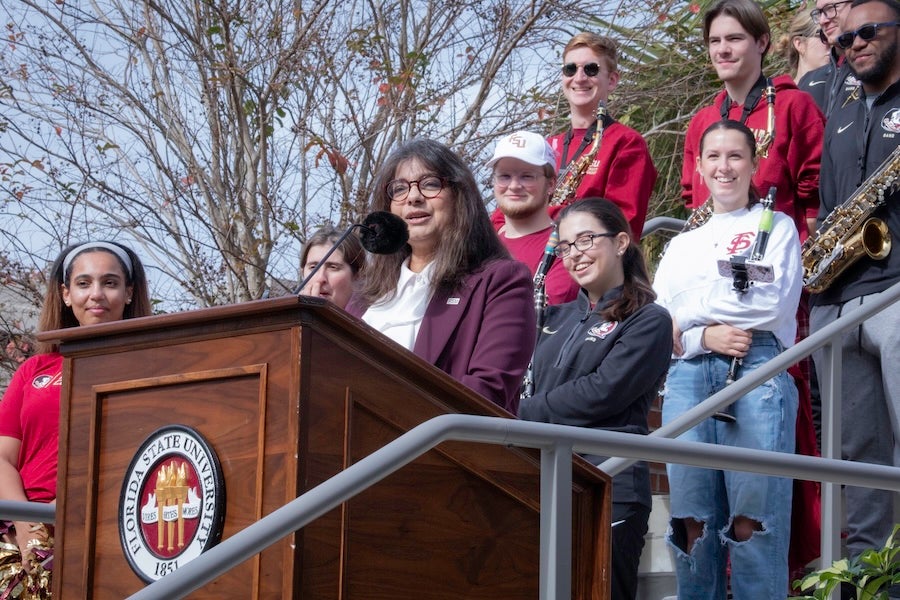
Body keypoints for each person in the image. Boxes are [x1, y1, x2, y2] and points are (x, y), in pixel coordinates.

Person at [657, 120, 803, 599]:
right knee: (691, 525)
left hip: (756, 370)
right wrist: (706, 337)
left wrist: (693, 313)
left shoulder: (776, 226)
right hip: (688, 377)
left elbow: (771, 305)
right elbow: (662, 322)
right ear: (698, 167)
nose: (724, 166)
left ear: (754, 164)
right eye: (713, 157)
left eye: (736, 156)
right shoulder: (680, 245)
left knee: (751, 522)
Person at [518, 198, 672, 600]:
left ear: (621, 242)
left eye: (586, 239)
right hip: (545, 479)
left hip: (609, 486)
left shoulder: (649, 319)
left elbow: (601, 393)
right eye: (566, 246)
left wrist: (515, 414)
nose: (575, 254)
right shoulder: (554, 318)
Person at [0, 241, 152, 594]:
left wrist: (59, 513)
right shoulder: (34, 369)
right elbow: (3, 456)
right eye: (83, 284)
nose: (96, 294)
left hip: (101, 523)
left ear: (129, 293)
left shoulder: (149, 365)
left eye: (110, 283)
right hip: (19, 528)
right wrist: (27, 522)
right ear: (66, 294)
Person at [809, 0, 900, 569]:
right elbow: (826, 203)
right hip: (839, 299)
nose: (854, 44)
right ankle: (872, 581)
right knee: (856, 463)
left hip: (897, 292)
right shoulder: (841, 113)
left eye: (867, 32)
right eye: (845, 40)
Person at [348, 138, 535, 414]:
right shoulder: (366, 296)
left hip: (440, 449)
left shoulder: (502, 281)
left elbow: (487, 392)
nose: (413, 197)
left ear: (460, 198)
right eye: (399, 189)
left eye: (430, 184)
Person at [489, 33, 657, 241]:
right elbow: (502, 213)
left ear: (612, 80)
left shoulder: (627, 143)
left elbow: (621, 224)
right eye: (570, 69)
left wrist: (536, 223)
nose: (579, 78)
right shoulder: (547, 145)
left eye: (591, 69)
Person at [487, 130, 580, 305]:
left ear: (551, 184)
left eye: (527, 176)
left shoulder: (567, 249)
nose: (514, 186)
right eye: (504, 176)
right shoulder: (479, 245)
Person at [798, 0, 861, 116]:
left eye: (830, 9)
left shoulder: (882, 67)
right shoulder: (807, 82)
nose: (822, 21)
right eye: (819, 12)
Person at [299, 224, 366, 309]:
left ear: (358, 275)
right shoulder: (285, 319)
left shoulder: (377, 319)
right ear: (302, 272)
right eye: (313, 267)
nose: (320, 278)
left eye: (333, 267)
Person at [776, 6, 832, 83]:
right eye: (824, 36)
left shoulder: (844, 88)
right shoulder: (782, 93)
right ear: (799, 44)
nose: (832, 42)